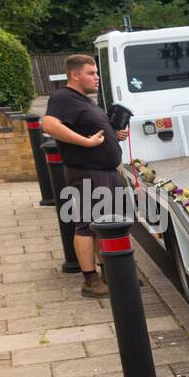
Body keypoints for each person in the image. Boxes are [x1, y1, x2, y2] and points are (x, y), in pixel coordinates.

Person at [41, 54, 131, 298]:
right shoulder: (63, 97)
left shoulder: (84, 101)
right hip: (87, 174)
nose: (97, 78)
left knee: (108, 224)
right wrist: (86, 142)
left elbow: (92, 129)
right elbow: (49, 125)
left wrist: (114, 134)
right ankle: (90, 281)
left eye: (97, 73)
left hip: (105, 172)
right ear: (75, 75)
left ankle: (110, 274)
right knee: (86, 226)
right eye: (91, 73)